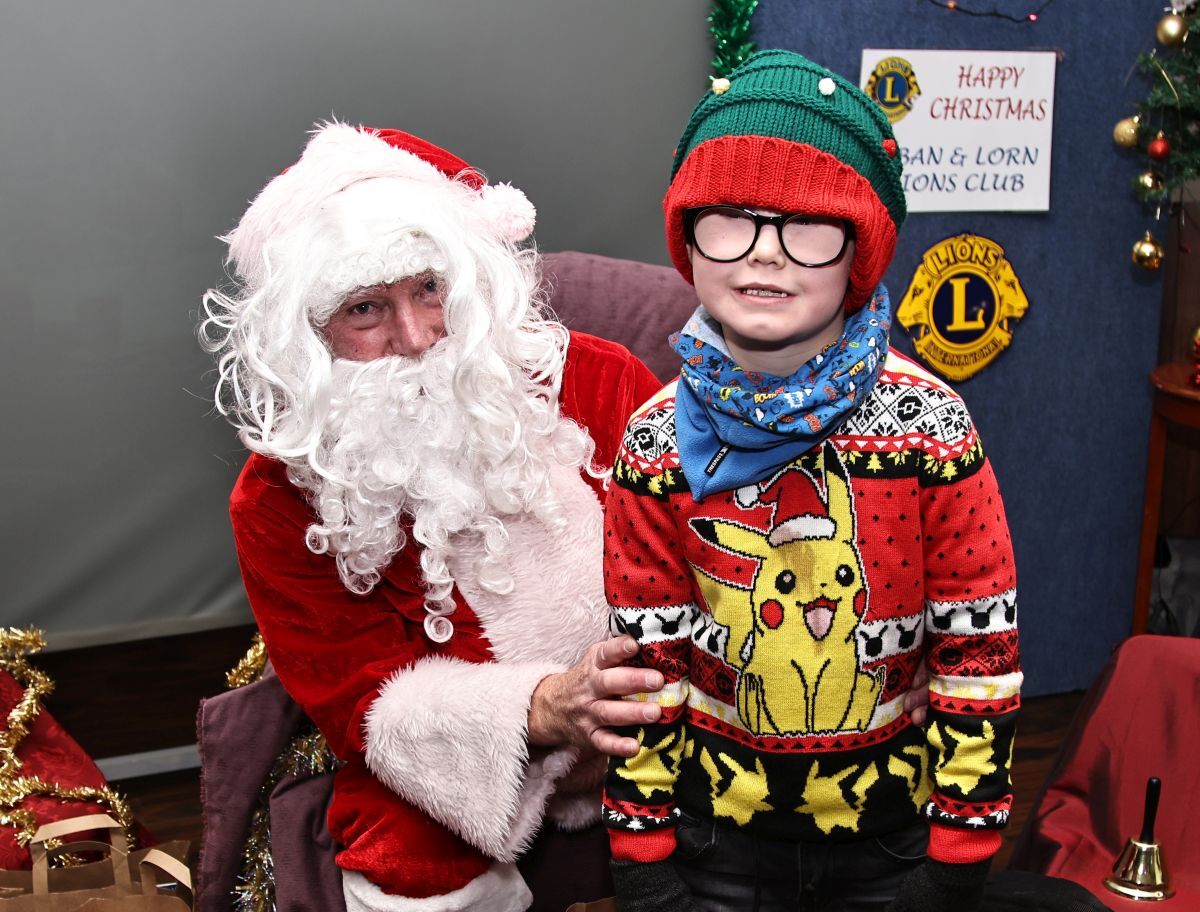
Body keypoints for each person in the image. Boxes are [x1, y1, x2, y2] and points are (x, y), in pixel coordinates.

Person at [198, 122, 668, 912]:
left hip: (657, 708)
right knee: (404, 863)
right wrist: (538, 708)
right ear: (311, 339)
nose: (415, 337)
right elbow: (365, 701)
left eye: (430, 288)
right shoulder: (278, 494)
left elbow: (700, 557)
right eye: (365, 310)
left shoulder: (598, 379)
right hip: (464, 757)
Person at [601, 50, 1020, 912]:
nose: (765, 256)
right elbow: (646, 662)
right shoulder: (653, 441)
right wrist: (640, 854)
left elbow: (978, 650)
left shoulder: (931, 430)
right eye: (731, 220)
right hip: (716, 835)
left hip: (890, 838)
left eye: (808, 227)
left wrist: (962, 842)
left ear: (857, 252)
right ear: (688, 237)